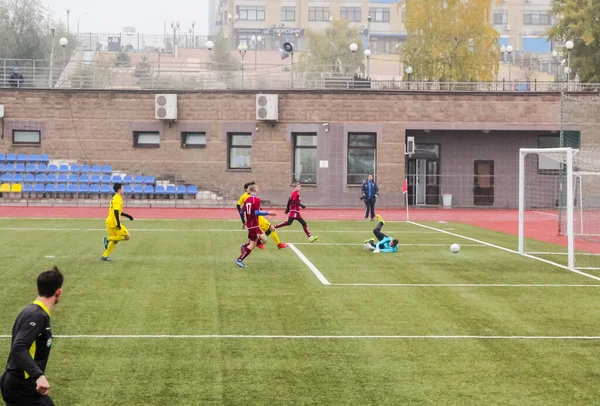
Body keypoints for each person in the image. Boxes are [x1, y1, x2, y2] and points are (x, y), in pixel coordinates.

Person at [0, 266, 64, 406]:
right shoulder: (37, 315)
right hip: (21, 386)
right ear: (59, 291)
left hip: (20, 384)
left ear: (37, 288)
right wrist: (39, 375)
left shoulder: (31, 311)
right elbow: (19, 347)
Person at [235, 184, 277, 268]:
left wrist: (244, 221)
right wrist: (268, 213)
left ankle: (245, 246)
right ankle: (239, 260)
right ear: (256, 190)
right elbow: (256, 212)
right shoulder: (256, 200)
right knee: (253, 244)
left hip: (253, 225)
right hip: (253, 225)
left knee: (264, 240)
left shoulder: (247, 200)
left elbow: (241, 212)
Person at [237, 182, 288, 250]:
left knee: (267, 231)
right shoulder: (248, 197)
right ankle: (277, 244)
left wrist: (244, 219)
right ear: (247, 189)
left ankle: (257, 243)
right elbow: (241, 207)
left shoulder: (247, 197)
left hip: (253, 218)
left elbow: (243, 209)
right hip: (257, 218)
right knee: (271, 229)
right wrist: (268, 213)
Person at [101, 183, 134, 261]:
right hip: (114, 222)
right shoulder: (118, 199)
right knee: (127, 236)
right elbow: (116, 211)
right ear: (119, 189)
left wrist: (128, 216)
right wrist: (118, 224)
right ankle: (107, 239)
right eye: (122, 188)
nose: (123, 189)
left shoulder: (115, 198)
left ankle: (104, 256)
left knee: (115, 240)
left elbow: (118, 211)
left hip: (110, 221)